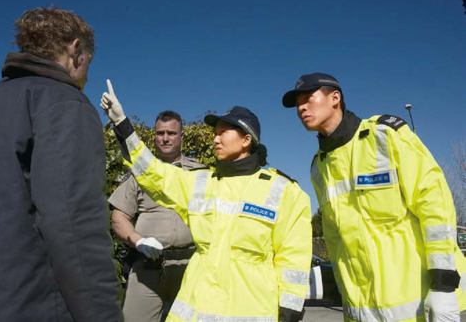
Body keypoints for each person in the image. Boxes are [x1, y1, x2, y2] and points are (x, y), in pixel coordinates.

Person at [100, 80, 312, 322]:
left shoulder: (285, 191)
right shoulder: (200, 183)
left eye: (224, 132)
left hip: (252, 308)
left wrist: (290, 308)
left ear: (246, 140)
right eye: (214, 133)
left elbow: (293, 256)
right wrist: (122, 124)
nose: (215, 139)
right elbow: (152, 172)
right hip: (195, 307)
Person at [0, 7, 121, 322]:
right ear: (75, 49)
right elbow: (75, 227)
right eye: (89, 61)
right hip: (32, 306)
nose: (87, 74)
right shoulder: (64, 104)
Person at [282, 72, 466, 322]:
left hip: (426, 307)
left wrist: (443, 284)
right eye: (297, 103)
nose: (301, 106)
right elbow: (338, 244)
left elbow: (435, 206)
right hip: (363, 313)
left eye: (309, 97)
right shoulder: (318, 167)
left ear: (335, 97)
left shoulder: (384, 136)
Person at [109, 110, 204, 322]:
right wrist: (138, 240)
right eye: (160, 133)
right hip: (148, 269)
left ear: (181, 136)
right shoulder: (139, 174)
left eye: (171, 133)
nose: (165, 138)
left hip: (192, 269)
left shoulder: (201, 174)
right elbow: (119, 216)